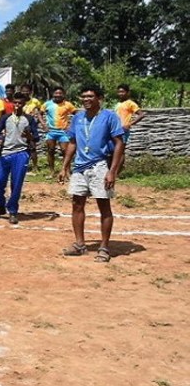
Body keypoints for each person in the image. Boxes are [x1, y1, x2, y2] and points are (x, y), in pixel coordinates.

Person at [58, 85, 124, 263]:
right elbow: (72, 142)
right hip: (80, 167)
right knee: (77, 204)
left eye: (90, 96)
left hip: (100, 166)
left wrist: (112, 171)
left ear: (99, 98)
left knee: (104, 206)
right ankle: (80, 244)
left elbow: (119, 143)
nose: (86, 99)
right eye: (84, 97)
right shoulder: (78, 118)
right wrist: (65, 166)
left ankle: (104, 247)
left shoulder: (109, 117)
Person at [0, 93, 40, 225]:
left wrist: (29, 136)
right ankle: (0, 206)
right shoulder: (5, 118)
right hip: (5, 153)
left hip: (21, 153)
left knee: (16, 183)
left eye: (20, 103)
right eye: (15, 103)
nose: (17, 105)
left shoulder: (29, 119)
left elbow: (36, 138)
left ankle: (12, 210)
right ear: (13, 103)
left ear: (24, 104)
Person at [41, 87, 78, 178]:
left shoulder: (68, 104)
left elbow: (77, 114)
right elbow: (39, 114)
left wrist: (71, 126)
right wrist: (43, 124)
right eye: (56, 93)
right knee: (50, 151)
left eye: (60, 93)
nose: (58, 95)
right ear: (53, 94)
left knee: (66, 151)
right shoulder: (47, 104)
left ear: (63, 94)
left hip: (63, 132)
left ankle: (67, 172)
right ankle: (52, 172)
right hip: (51, 131)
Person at [20, 84, 43, 174]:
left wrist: (36, 121)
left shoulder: (35, 101)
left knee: (33, 147)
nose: (25, 93)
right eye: (23, 91)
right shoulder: (20, 101)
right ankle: (23, 166)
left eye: (27, 91)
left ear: (30, 92)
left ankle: (35, 167)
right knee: (21, 148)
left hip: (31, 127)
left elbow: (41, 111)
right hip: (21, 127)